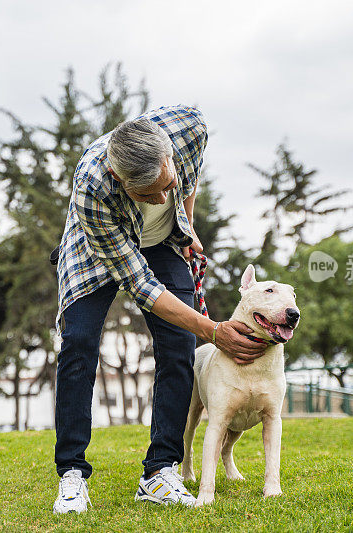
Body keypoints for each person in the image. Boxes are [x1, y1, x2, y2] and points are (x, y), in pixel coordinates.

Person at [52, 105, 270, 514]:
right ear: (120, 179)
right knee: (78, 344)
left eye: (166, 183)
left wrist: (186, 226)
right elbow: (142, 286)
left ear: (170, 154)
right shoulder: (92, 189)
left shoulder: (189, 127)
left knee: (178, 346)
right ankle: (72, 474)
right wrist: (213, 330)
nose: (162, 196)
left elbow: (189, 177)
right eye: (149, 193)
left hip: (163, 241)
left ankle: (160, 471)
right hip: (96, 248)